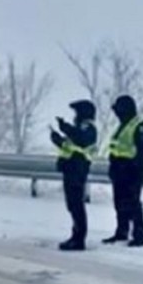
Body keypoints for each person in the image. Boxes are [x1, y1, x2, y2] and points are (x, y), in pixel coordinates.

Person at [103, 95, 143, 247]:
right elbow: (117, 147)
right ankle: (121, 232)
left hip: (131, 172)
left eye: (119, 110)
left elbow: (142, 151)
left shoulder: (139, 125)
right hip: (118, 170)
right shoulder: (122, 125)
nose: (117, 114)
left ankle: (138, 235)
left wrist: (131, 167)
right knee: (119, 203)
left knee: (133, 204)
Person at [50, 100, 98, 251]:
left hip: (78, 170)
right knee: (72, 205)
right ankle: (75, 236)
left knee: (77, 205)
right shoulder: (79, 128)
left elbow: (82, 141)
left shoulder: (88, 128)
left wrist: (65, 128)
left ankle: (79, 239)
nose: (75, 116)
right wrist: (57, 139)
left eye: (77, 112)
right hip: (70, 169)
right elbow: (70, 146)